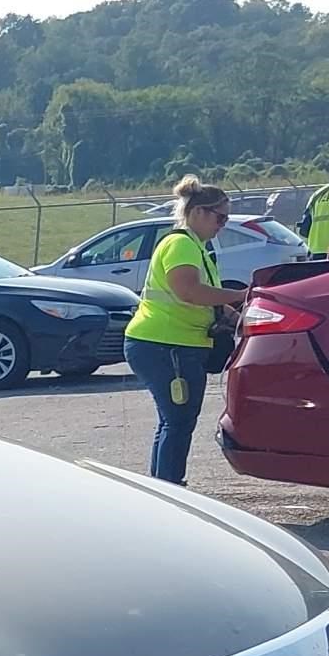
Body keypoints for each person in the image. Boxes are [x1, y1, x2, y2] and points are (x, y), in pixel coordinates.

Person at [122, 176, 248, 486]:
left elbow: (205, 303)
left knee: (173, 421)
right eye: (221, 217)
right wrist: (239, 295)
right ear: (198, 213)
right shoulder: (181, 245)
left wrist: (238, 316)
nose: (223, 224)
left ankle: (163, 486)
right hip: (165, 344)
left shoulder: (196, 248)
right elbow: (189, 292)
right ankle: (170, 488)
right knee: (178, 421)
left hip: (169, 343)